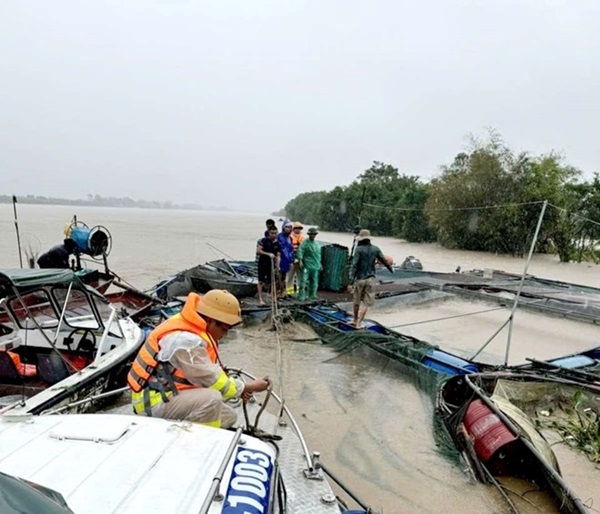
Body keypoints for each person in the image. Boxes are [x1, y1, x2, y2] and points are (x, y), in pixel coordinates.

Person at [127, 290, 270, 428]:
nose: (225, 335)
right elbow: (209, 378)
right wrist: (246, 387)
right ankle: (199, 444)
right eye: (224, 329)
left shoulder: (191, 325)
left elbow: (204, 371)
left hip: (170, 393)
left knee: (228, 416)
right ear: (211, 320)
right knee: (212, 398)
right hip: (153, 403)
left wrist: (238, 389)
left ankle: (186, 430)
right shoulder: (185, 340)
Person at [349, 229, 393, 328]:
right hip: (371, 279)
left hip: (360, 279)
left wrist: (351, 281)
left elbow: (354, 265)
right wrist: (391, 269)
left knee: (356, 301)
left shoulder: (359, 249)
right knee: (366, 303)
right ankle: (359, 323)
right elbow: (384, 260)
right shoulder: (376, 249)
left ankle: (355, 320)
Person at [256, 225, 281, 305]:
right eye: (272, 233)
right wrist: (267, 254)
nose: (274, 235)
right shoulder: (263, 240)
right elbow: (258, 251)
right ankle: (260, 298)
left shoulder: (278, 243)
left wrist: (278, 266)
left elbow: (278, 255)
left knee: (272, 281)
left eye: (275, 233)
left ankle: (272, 296)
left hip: (272, 264)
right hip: (263, 263)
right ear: (269, 233)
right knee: (261, 281)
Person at [296, 227, 322, 302]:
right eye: (311, 234)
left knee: (314, 281)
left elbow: (318, 255)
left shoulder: (317, 244)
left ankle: (312, 295)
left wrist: (320, 263)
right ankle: (301, 296)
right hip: (306, 265)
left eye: (314, 234)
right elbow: (300, 251)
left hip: (315, 265)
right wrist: (300, 260)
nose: (312, 235)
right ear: (309, 234)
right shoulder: (305, 243)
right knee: (303, 281)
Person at [277, 221, 295, 296]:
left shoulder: (290, 238)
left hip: (287, 260)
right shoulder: (279, 237)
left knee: (285, 277)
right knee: (279, 277)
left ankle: (283, 292)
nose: (288, 229)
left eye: (289, 227)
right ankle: (279, 292)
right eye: (286, 227)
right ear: (283, 228)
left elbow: (291, 250)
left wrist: (291, 260)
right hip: (280, 259)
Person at [286, 221, 304, 294]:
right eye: (297, 228)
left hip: (300, 259)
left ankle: (299, 292)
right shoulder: (289, 237)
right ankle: (289, 292)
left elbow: (303, 248)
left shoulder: (302, 237)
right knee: (290, 276)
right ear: (293, 229)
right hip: (291, 258)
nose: (298, 230)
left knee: (300, 276)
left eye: (299, 228)